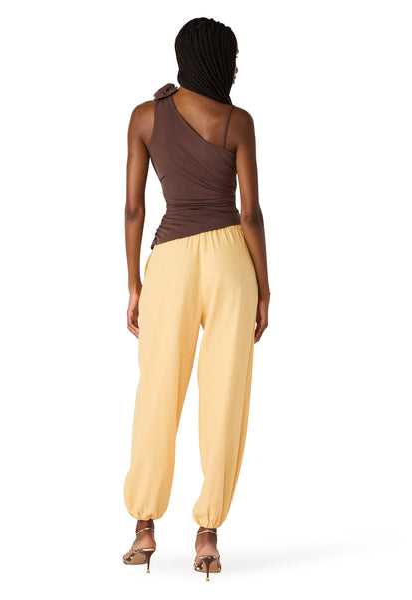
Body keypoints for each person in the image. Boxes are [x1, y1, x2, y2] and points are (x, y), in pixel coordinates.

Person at [122, 17, 270, 580]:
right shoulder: (237, 121)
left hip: (170, 262)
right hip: (231, 260)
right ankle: (207, 534)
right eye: (233, 58)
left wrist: (134, 283)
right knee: (225, 392)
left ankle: (144, 526)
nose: (237, 68)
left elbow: (134, 208)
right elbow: (251, 214)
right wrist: (265, 287)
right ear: (217, 61)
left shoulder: (145, 116)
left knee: (157, 388)